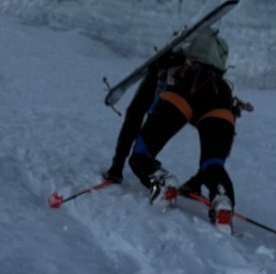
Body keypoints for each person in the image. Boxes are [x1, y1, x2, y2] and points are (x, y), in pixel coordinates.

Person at [103, 26, 251, 225]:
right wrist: (195, 184)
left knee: (141, 157)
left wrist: (116, 167)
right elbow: (218, 151)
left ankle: (161, 181)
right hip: (222, 100)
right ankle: (221, 200)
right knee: (213, 165)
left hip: (182, 90)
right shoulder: (219, 83)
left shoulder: (168, 68)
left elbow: (135, 114)